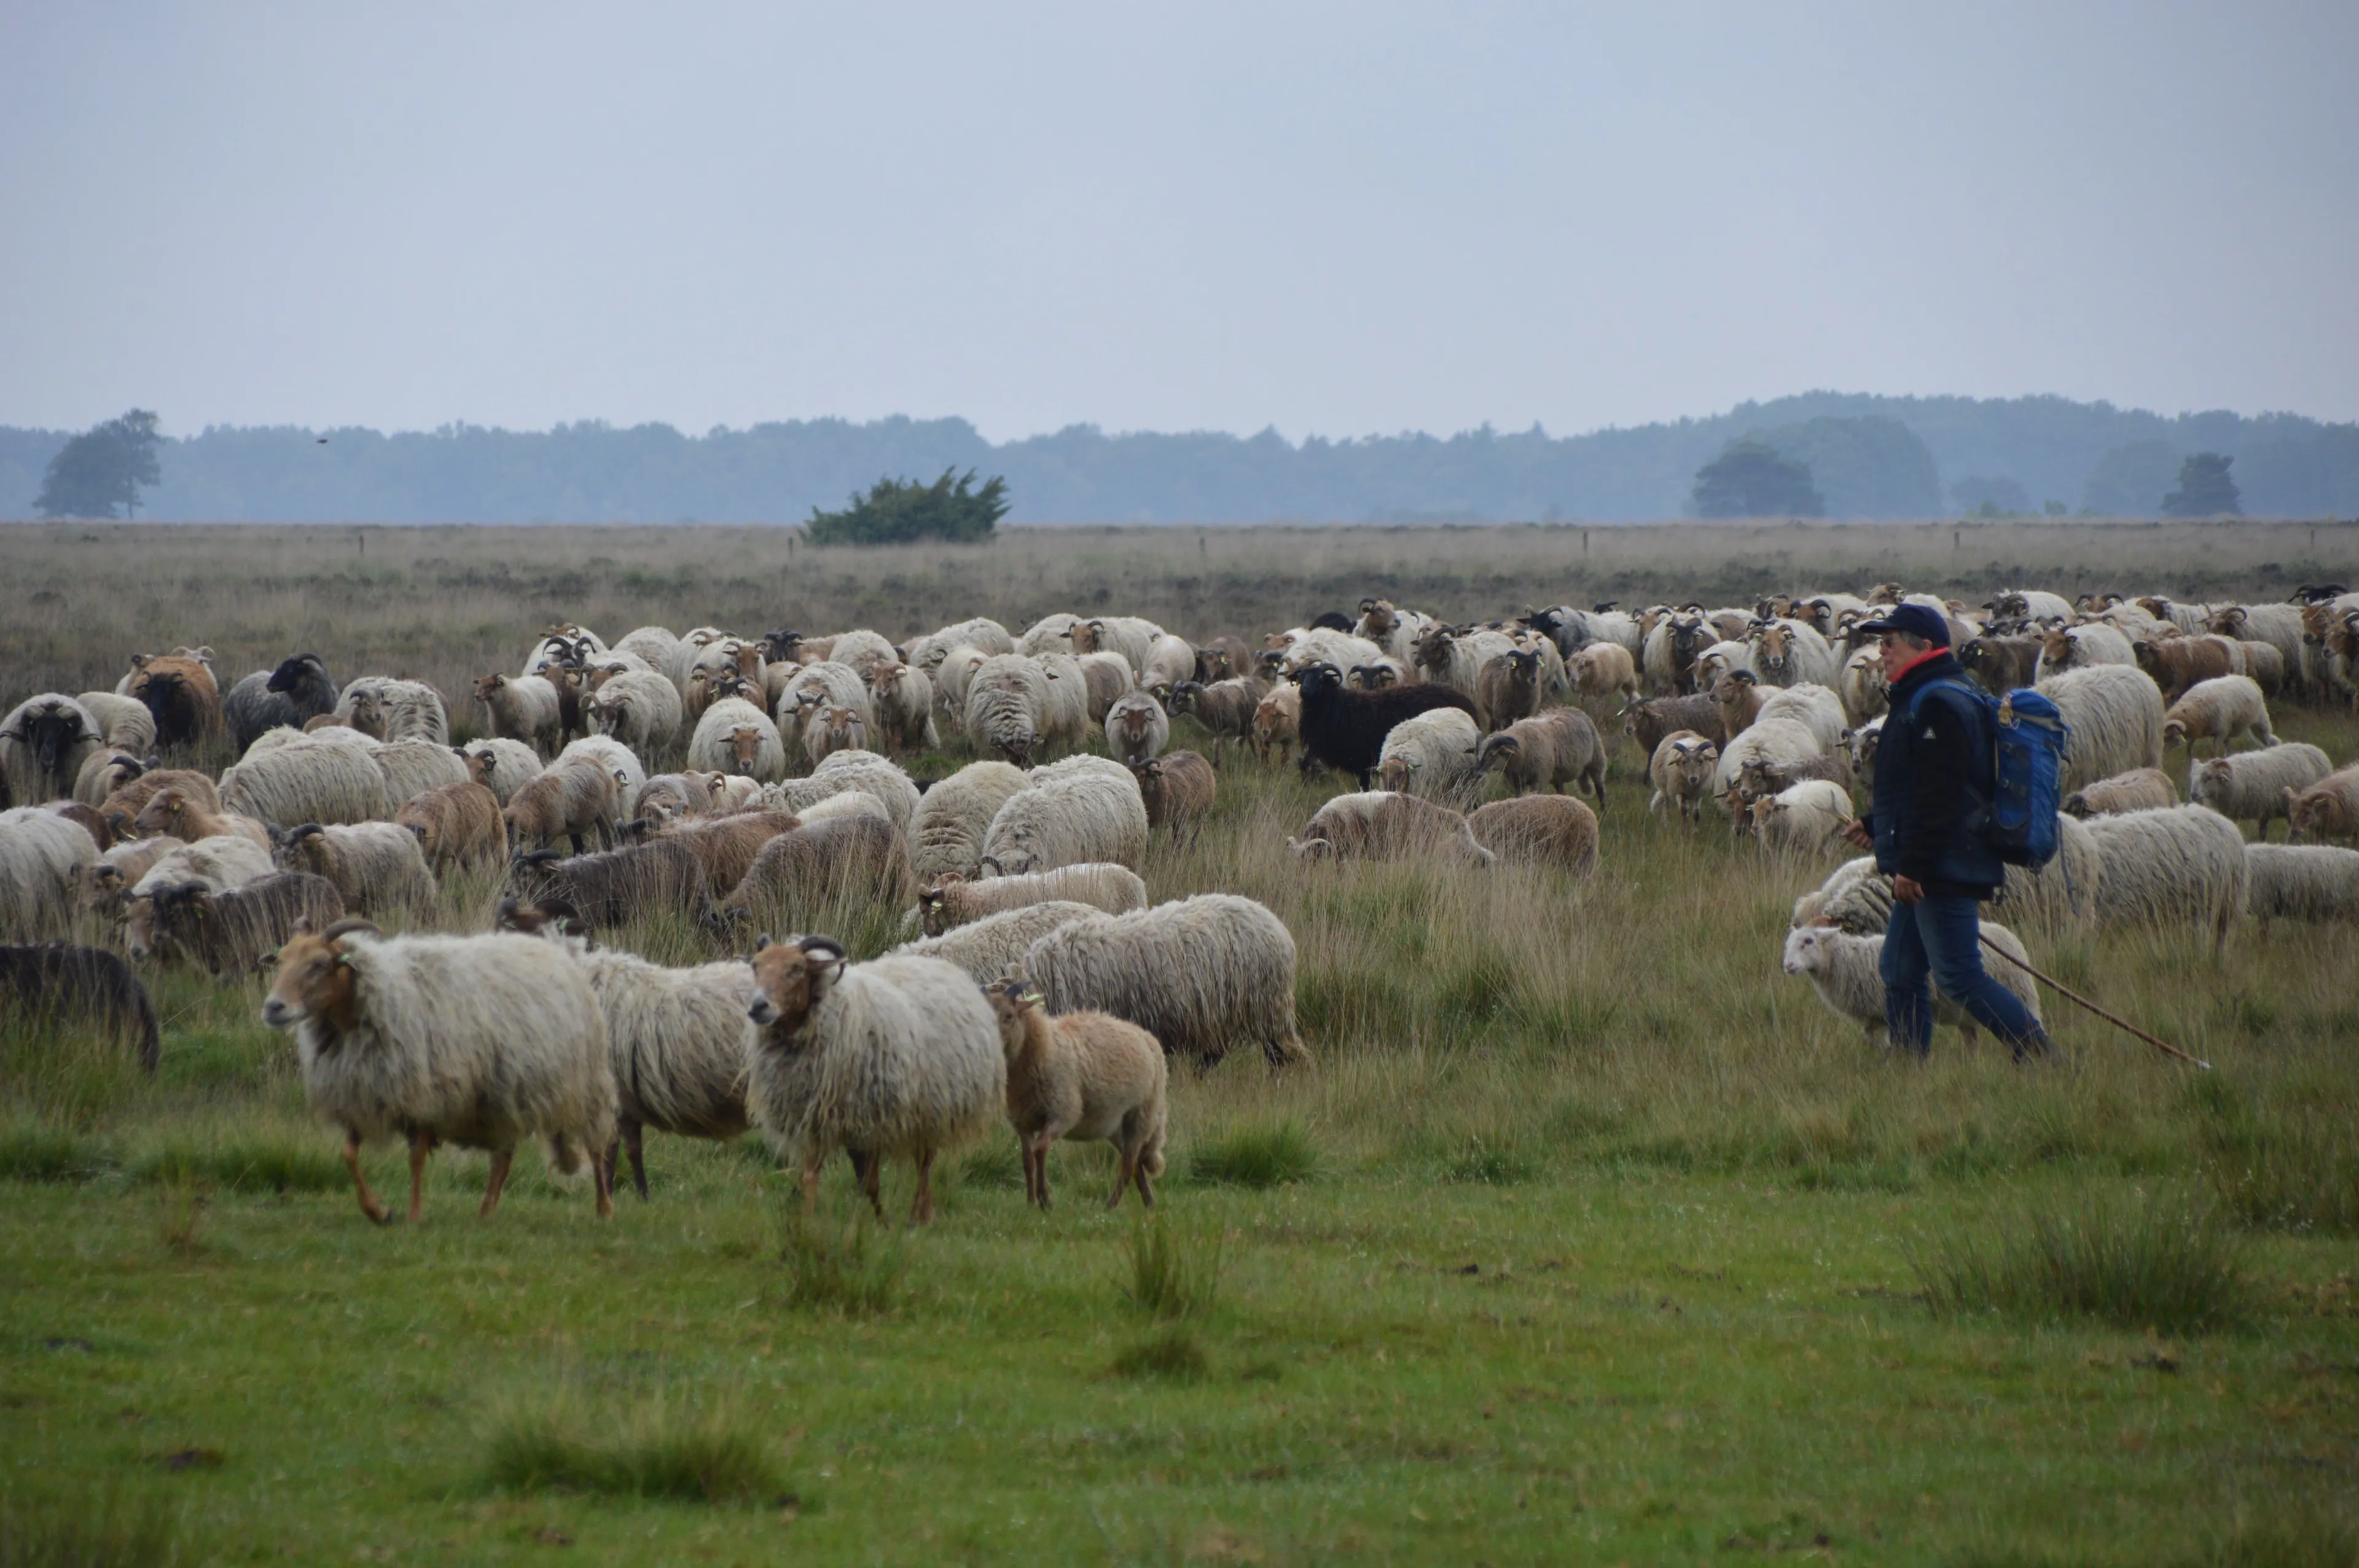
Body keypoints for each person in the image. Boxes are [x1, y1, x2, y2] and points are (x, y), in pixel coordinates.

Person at [1839, 603, 2054, 1061]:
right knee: (1898, 967)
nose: (1882, 651)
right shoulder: (1927, 694)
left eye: (1890, 642)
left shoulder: (1938, 701)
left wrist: (1912, 865)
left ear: (1926, 647)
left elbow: (1943, 795)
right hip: (1937, 855)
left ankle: (2038, 1052)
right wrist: (1877, 825)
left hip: (1943, 862)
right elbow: (1923, 784)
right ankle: (1908, 1064)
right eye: (1881, 642)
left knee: (1957, 974)